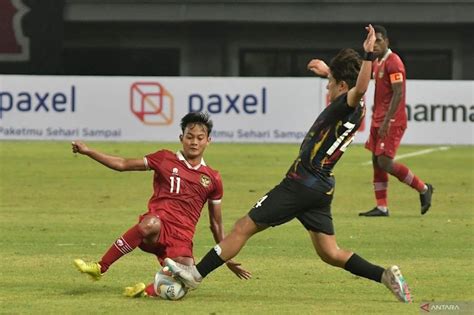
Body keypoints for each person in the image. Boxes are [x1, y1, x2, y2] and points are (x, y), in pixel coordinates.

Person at [165, 25, 412, 303]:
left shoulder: (350, 102)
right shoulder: (349, 102)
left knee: (242, 227)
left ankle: (195, 275)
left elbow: (360, 87)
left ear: (343, 87)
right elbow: (351, 85)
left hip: (301, 182)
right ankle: (385, 276)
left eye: (331, 84)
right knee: (330, 253)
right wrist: (328, 71)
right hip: (320, 186)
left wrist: (367, 55)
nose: (327, 87)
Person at [71, 112, 251, 298]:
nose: (194, 142)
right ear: (181, 138)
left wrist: (226, 256)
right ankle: (100, 267)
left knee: (186, 280)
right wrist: (88, 151)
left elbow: (216, 223)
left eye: (199, 138)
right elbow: (123, 164)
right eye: (189, 137)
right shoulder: (164, 158)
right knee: (150, 223)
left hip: (182, 238)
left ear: (208, 141)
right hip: (157, 228)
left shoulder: (212, 178)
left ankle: (146, 291)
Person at [359, 25, 433, 217]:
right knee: (376, 160)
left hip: (391, 121)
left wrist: (387, 120)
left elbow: (398, 92)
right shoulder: (377, 62)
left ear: (387, 42)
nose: (376, 45)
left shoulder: (394, 62)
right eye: (373, 41)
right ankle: (381, 207)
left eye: (379, 41)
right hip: (379, 119)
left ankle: (424, 188)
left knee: (385, 161)